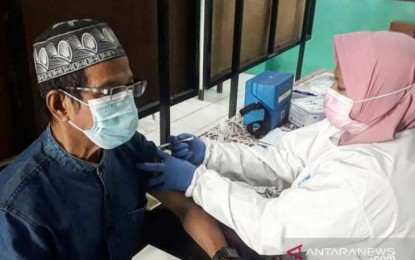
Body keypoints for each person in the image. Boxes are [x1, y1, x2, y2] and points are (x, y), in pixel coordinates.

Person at [137, 31, 415, 259]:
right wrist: (210, 153)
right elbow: (283, 161)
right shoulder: (368, 122)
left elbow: (270, 230)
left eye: (341, 87)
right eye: (334, 81)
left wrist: (196, 181)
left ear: (382, 92)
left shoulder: (367, 182)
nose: (331, 93)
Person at [0, 19, 234, 260]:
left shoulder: (128, 147)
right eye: (111, 91)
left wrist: (224, 255)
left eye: (129, 86)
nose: (126, 101)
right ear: (60, 105)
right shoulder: (17, 207)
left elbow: (185, 209)